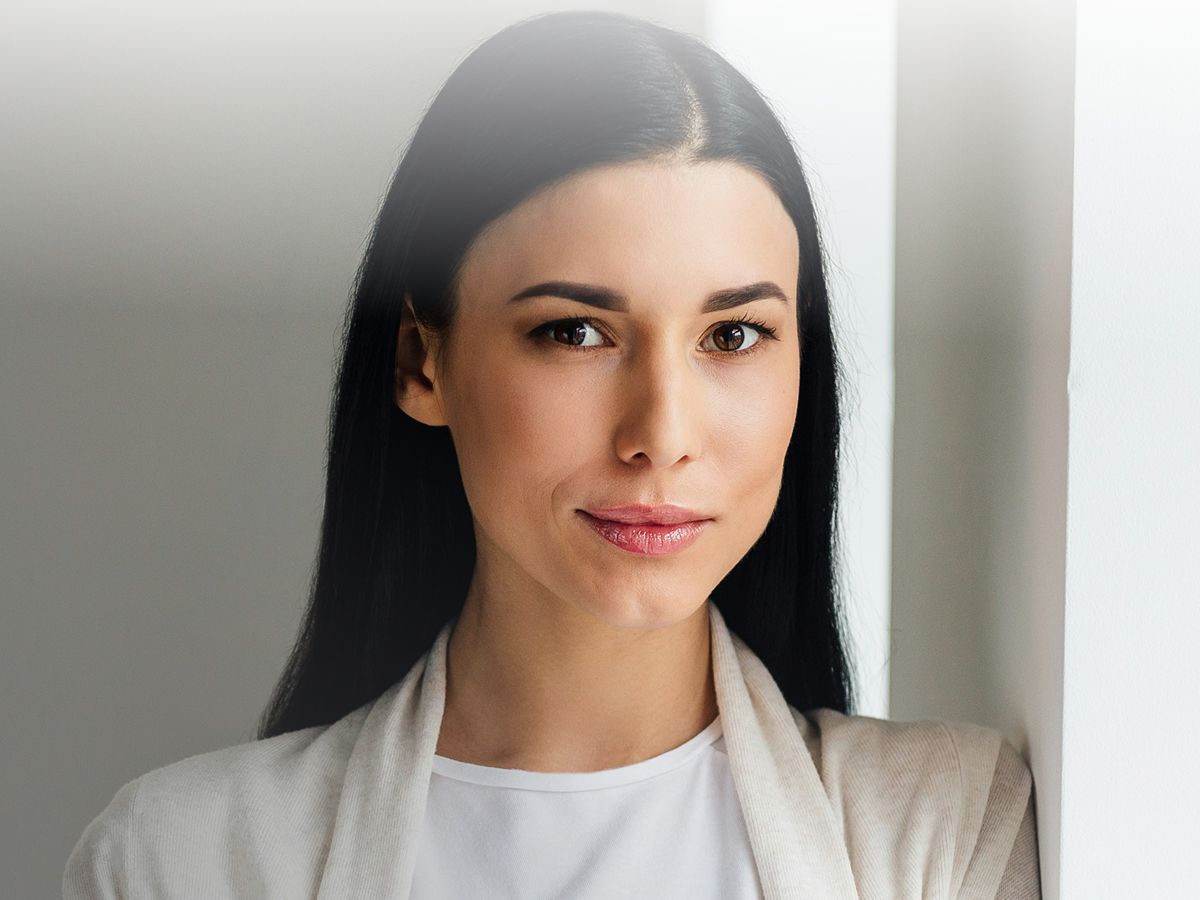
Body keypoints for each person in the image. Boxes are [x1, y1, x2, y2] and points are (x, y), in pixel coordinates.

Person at [63, 10, 1041, 899]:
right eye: (575, 332)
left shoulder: (950, 835)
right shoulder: (180, 864)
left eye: (733, 336)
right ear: (421, 360)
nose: (662, 433)